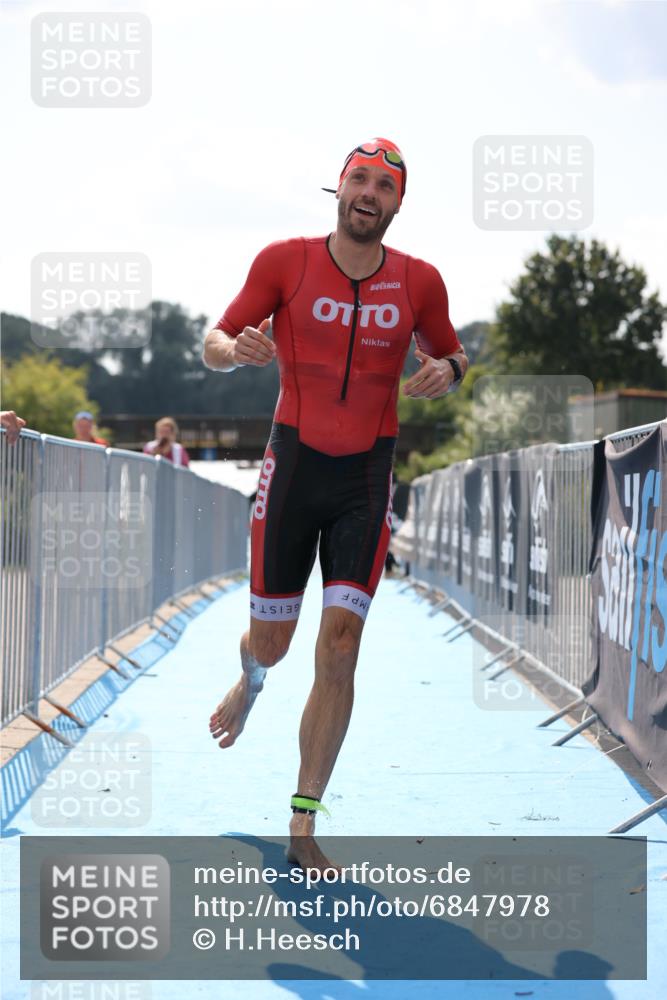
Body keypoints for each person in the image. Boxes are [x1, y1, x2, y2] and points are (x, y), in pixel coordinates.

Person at [203, 138, 468, 874]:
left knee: (342, 644)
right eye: (360, 179)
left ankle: (303, 818)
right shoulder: (284, 261)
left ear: (397, 204)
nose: (369, 193)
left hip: (365, 478)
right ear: (339, 188)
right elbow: (214, 339)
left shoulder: (419, 281)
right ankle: (252, 678)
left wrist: (448, 371)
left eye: (385, 185)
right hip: (293, 468)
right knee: (273, 644)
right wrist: (235, 351)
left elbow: (453, 352)